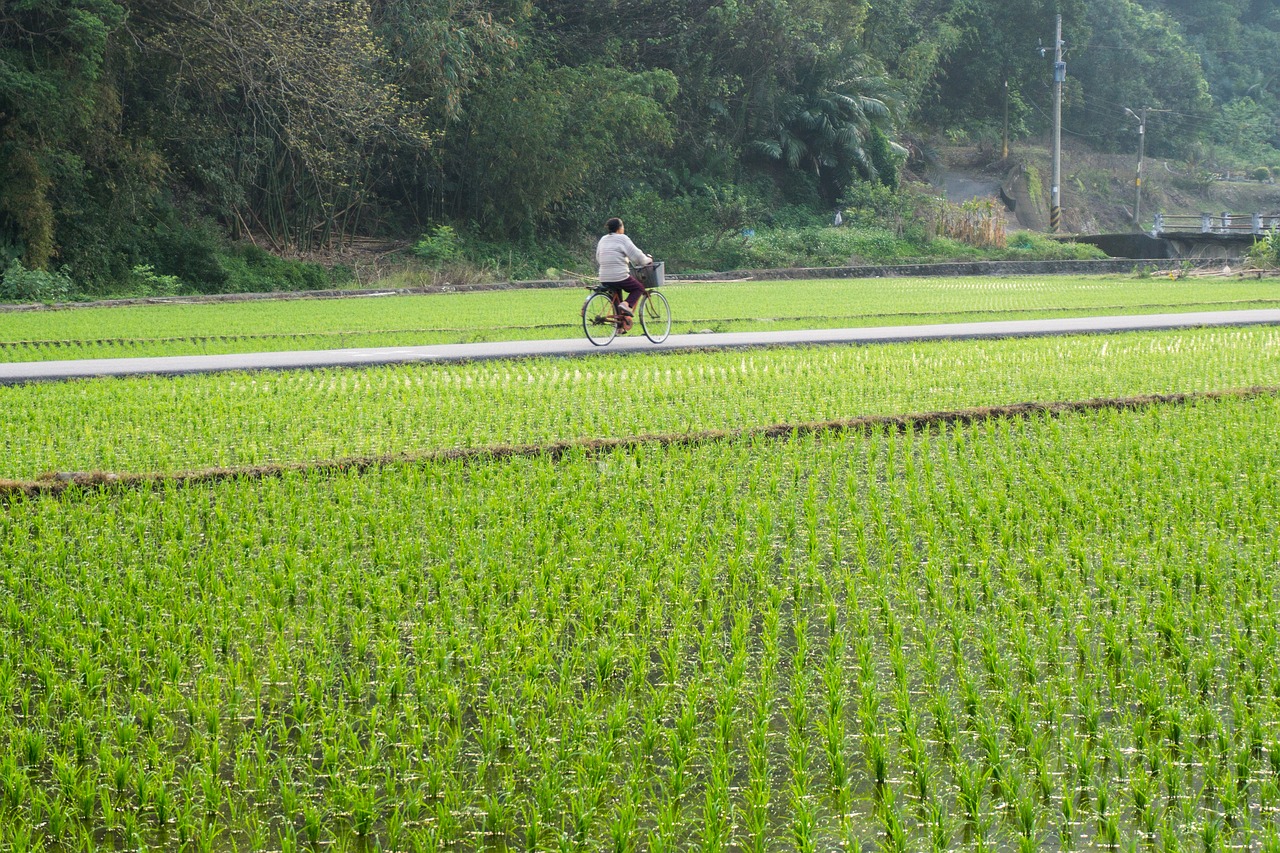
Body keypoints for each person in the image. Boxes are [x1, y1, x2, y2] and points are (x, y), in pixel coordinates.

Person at [596, 217, 652, 322]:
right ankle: (626, 304)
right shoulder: (622, 238)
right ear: (619, 228)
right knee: (639, 288)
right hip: (619, 276)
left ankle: (620, 326)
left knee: (617, 296)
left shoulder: (603, 239)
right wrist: (647, 260)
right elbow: (637, 255)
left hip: (604, 276)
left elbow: (598, 257)